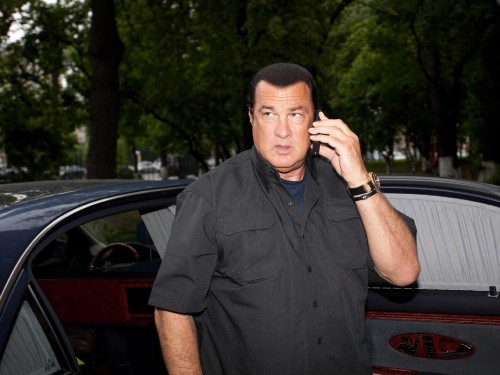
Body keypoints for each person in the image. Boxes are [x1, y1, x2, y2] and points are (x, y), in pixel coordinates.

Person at [149, 62, 420, 375]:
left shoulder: (348, 187)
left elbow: (403, 271)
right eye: (268, 114)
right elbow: (171, 310)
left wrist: (360, 180)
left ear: (315, 120)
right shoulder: (208, 197)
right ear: (251, 117)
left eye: (295, 113)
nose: (282, 130)